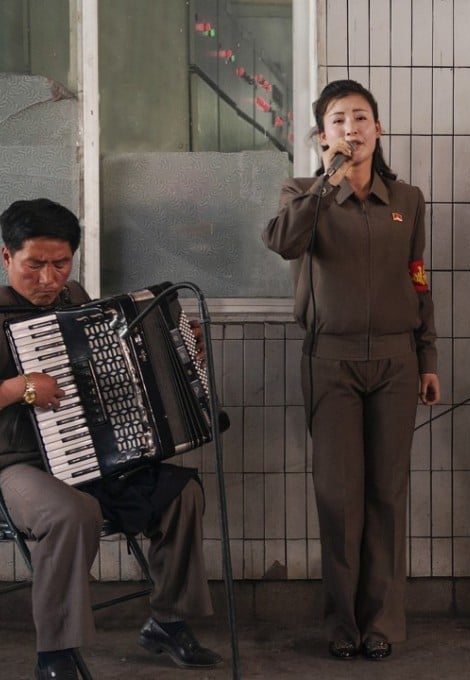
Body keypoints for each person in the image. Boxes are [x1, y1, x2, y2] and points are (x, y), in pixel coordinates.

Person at [0, 198, 221, 680]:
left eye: (60, 264)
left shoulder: (77, 301)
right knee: (71, 513)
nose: (48, 278)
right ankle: (54, 655)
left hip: (92, 454)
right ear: (6, 257)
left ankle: (167, 619)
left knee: (182, 494)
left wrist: (184, 351)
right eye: (34, 265)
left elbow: (117, 373)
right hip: (18, 465)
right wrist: (19, 387)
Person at [262, 79, 440, 662]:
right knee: (339, 497)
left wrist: (428, 357)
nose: (351, 129)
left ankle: (382, 622)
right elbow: (283, 243)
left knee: (387, 494)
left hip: (396, 362)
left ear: (379, 130)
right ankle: (343, 623)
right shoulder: (303, 193)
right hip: (330, 361)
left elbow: (419, 278)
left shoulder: (406, 200)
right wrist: (326, 181)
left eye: (361, 118)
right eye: (338, 121)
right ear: (322, 136)